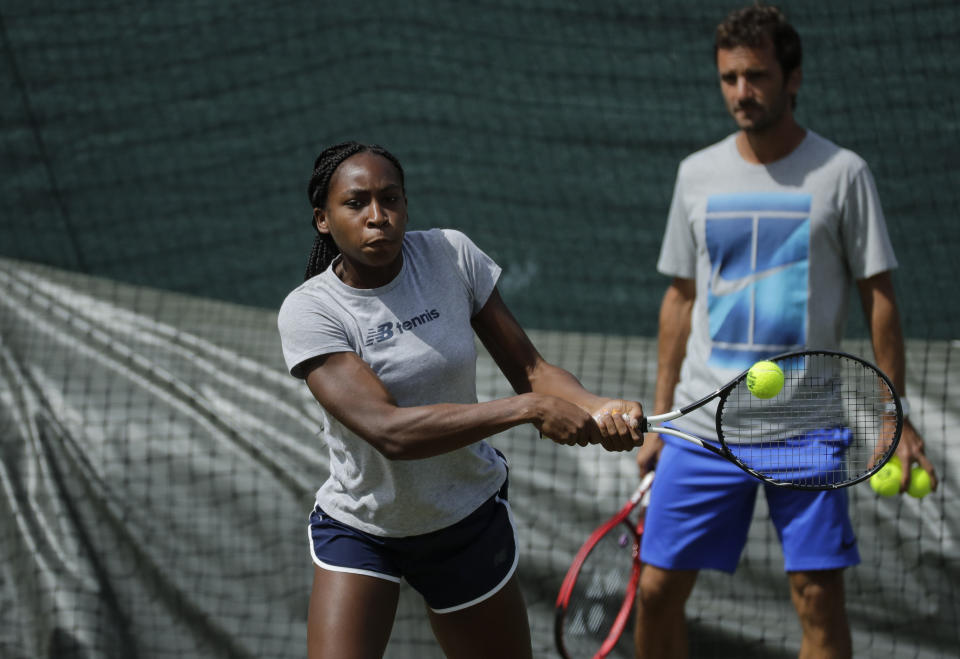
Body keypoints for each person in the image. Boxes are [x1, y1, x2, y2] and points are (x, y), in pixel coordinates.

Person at [632, 5, 938, 659]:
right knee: (655, 590)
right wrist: (660, 418)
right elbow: (680, 298)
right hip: (701, 428)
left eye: (757, 75)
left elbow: (878, 296)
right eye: (729, 78)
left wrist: (896, 412)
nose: (742, 92)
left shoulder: (842, 173)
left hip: (806, 429)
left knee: (818, 599)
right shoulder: (696, 175)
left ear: (792, 77)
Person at [278, 140, 644, 659]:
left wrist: (598, 405)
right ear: (323, 218)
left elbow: (532, 370)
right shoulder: (310, 310)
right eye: (357, 203)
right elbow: (390, 431)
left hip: (464, 521)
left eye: (391, 199)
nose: (378, 216)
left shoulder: (450, 254)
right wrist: (526, 410)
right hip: (363, 527)